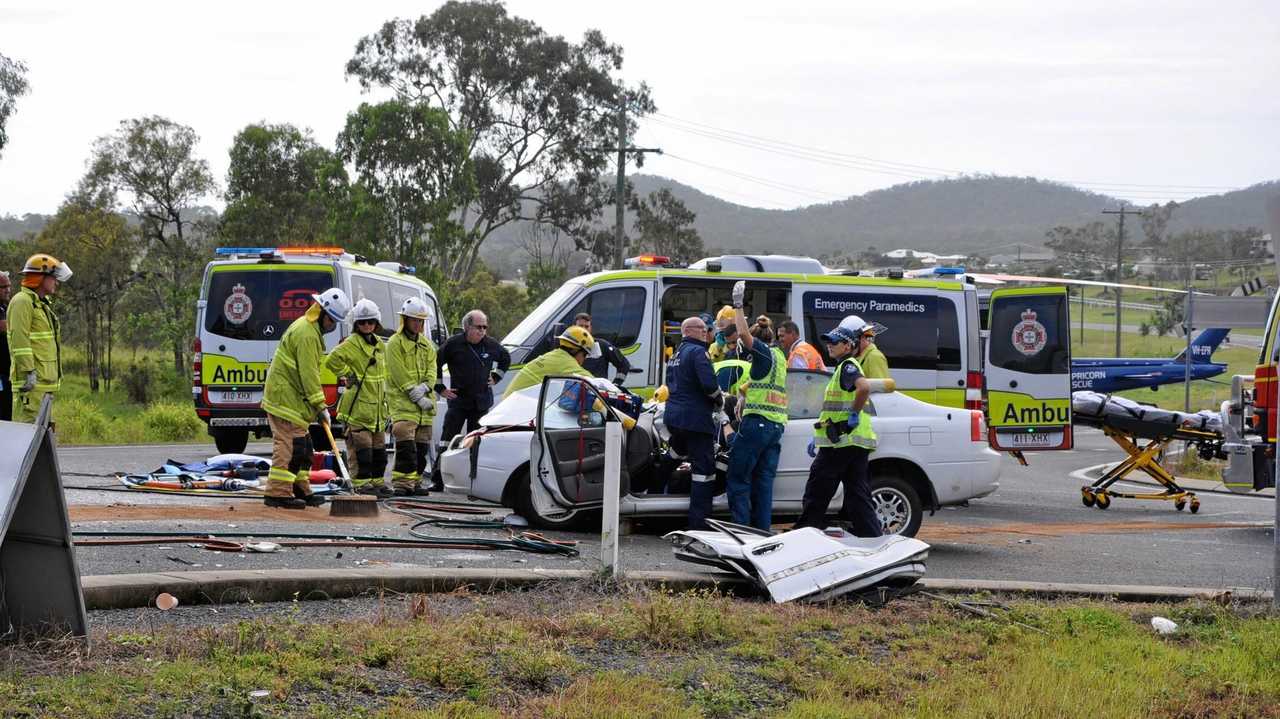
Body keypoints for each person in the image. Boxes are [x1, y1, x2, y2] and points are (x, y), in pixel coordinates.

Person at [260, 288, 351, 509]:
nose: (332, 326)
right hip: (284, 400)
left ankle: (300, 488)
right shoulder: (307, 334)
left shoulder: (310, 329)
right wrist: (321, 406)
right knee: (289, 445)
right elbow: (309, 374)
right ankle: (278, 493)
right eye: (331, 320)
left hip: (293, 401)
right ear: (321, 312)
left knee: (305, 447)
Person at [794, 315, 881, 536]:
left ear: (848, 345)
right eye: (829, 341)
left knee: (817, 488)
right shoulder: (843, 368)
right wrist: (818, 434)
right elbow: (833, 409)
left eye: (834, 342)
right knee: (857, 494)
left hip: (841, 442)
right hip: (851, 442)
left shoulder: (847, 367)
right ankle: (872, 536)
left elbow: (863, 388)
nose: (829, 345)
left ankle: (804, 533)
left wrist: (853, 413)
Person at [723, 282, 788, 531]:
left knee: (738, 479)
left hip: (757, 424)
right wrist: (742, 394)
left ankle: (741, 532)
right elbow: (761, 382)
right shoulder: (779, 357)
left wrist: (738, 305)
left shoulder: (760, 353)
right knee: (763, 484)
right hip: (775, 427)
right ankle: (761, 533)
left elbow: (742, 335)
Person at [324, 298, 390, 497]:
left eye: (370, 321)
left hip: (377, 411)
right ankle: (361, 485)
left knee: (379, 454)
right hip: (358, 409)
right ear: (356, 324)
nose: (367, 325)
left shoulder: (380, 345)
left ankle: (377, 484)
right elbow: (331, 361)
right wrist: (348, 374)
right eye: (362, 322)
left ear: (376, 323)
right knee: (362, 454)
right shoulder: (351, 343)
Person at [665, 315, 724, 530]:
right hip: (696, 420)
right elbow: (709, 384)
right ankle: (699, 523)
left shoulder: (676, 353)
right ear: (693, 330)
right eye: (704, 329)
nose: (707, 333)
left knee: (674, 455)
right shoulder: (698, 352)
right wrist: (720, 400)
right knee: (704, 471)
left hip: (674, 418)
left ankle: (653, 490)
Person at [435, 309, 510, 452]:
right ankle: (439, 471)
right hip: (458, 402)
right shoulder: (453, 344)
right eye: (479, 327)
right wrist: (440, 388)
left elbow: (505, 358)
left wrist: (496, 377)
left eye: (485, 327)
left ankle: (472, 472)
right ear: (468, 327)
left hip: (480, 404)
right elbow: (434, 363)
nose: (482, 331)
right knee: (447, 441)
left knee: (475, 444)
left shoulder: (491, 344)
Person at [9, 254, 71, 424]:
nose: (56, 282)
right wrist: (29, 372)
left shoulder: (41, 304)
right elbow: (19, 341)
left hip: (43, 384)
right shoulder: (22, 302)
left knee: (39, 438)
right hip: (31, 385)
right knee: (25, 438)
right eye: (53, 278)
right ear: (40, 278)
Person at [387, 297, 439, 496]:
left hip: (424, 408)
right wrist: (414, 393)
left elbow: (432, 370)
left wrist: (426, 386)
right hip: (404, 405)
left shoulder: (427, 345)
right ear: (405, 320)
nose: (418, 324)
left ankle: (415, 483)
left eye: (421, 321)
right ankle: (402, 484)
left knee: (421, 448)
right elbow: (397, 371)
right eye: (414, 320)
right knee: (406, 448)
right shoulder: (394, 343)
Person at [526, 313, 632, 384]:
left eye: (587, 326)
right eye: (581, 326)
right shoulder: (566, 347)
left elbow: (624, 365)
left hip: (597, 394)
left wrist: (616, 384)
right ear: (574, 327)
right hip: (570, 395)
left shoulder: (602, 345)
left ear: (591, 327)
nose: (584, 329)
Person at [502, 325, 597, 398]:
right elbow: (596, 383)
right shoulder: (565, 362)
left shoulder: (554, 355)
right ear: (576, 350)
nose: (584, 359)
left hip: (509, 407)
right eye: (585, 355)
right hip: (515, 413)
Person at [0, 270, 11, 422]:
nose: (8, 290)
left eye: (9, 285)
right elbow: (4, 327)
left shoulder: (4, 307)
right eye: (4, 287)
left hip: (6, 372)